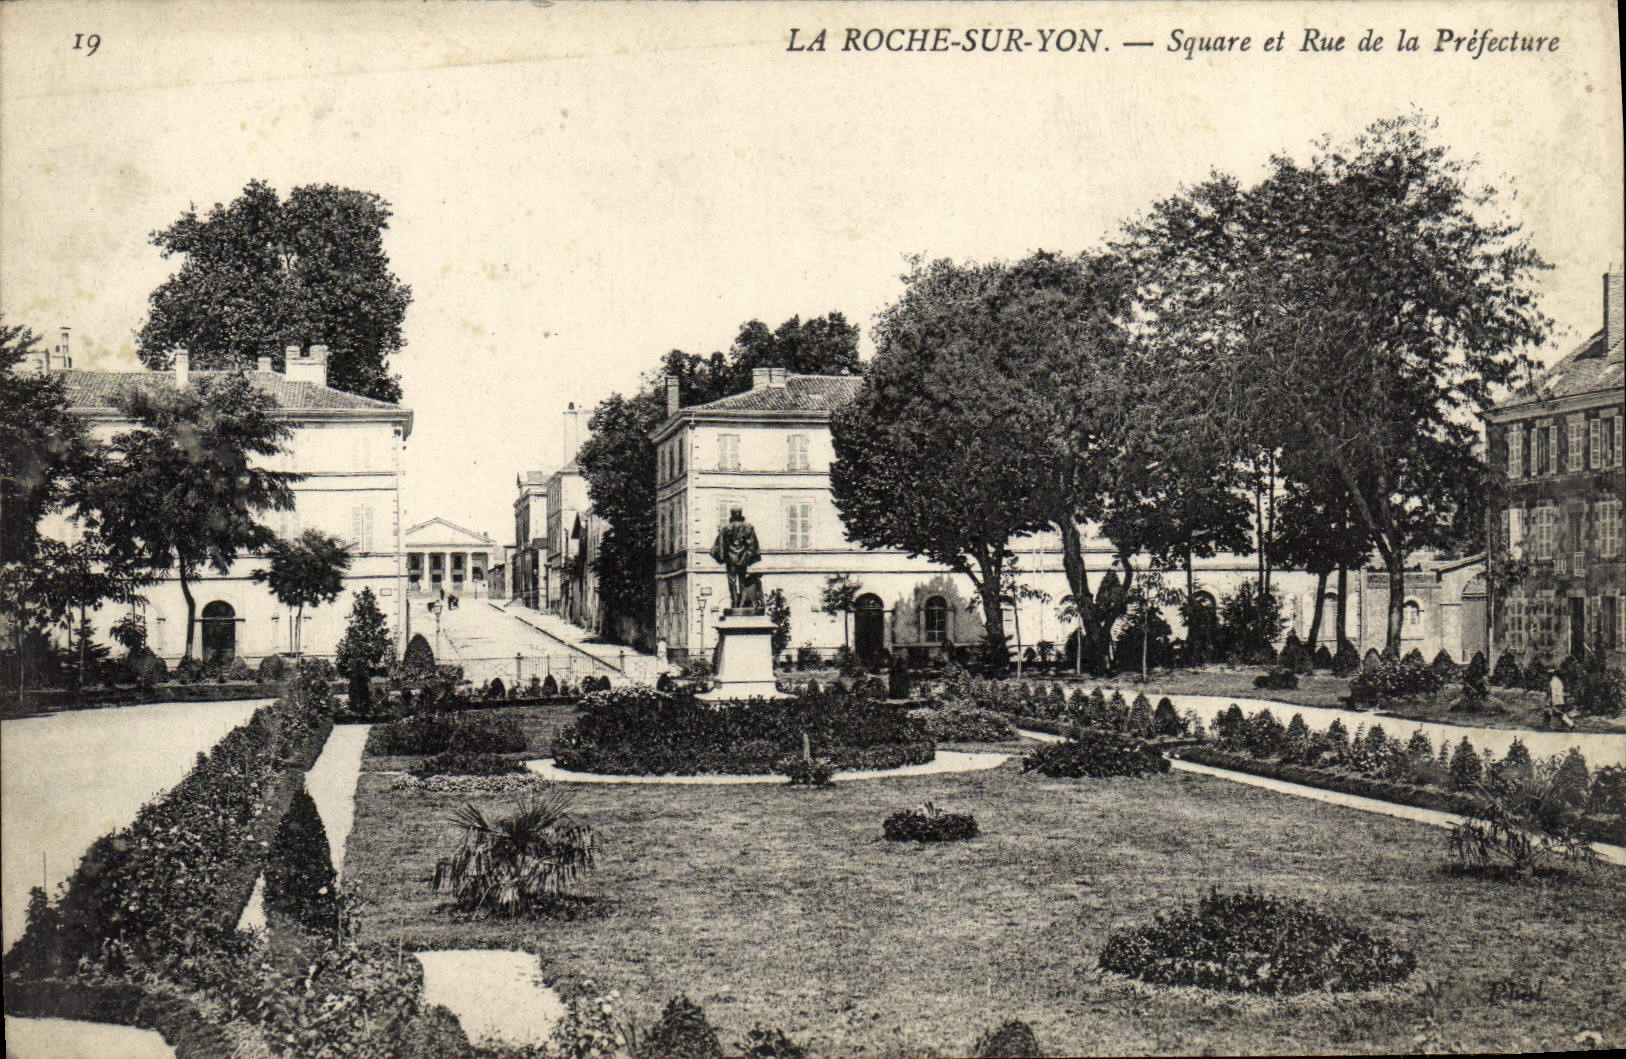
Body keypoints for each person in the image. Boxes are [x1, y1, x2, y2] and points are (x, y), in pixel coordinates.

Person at [709, 507, 762, 611]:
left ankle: (734, 602)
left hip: (730, 558)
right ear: (740, 514)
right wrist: (748, 556)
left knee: (731, 581)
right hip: (743, 558)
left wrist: (722, 556)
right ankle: (742, 603)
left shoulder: (726, 528)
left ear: (731, 514)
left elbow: (720, 545)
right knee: (742, 581)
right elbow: (752, 545)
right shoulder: (749, 527)